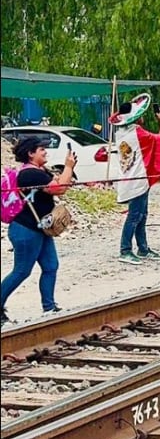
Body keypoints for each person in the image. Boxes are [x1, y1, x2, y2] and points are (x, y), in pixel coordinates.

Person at [1, 136, 75, 323]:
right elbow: (59, 189)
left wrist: (67, 170)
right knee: (21, 271)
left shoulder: (40, 171)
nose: (45, 151)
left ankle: (49, 307)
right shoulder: (30, 174)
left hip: (41, 229)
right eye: (41, 149)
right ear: (30, 153)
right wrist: (68, 166)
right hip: (26, 230)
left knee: (51, 266)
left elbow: (59, 185)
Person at [115, 102, 160, 264]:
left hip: (130, 179)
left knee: (141, 215)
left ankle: (143, 248)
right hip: (138, 181)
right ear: (136, 118)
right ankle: (125, 250)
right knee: (135, 216)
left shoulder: (120, 133)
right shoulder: (138, 133)